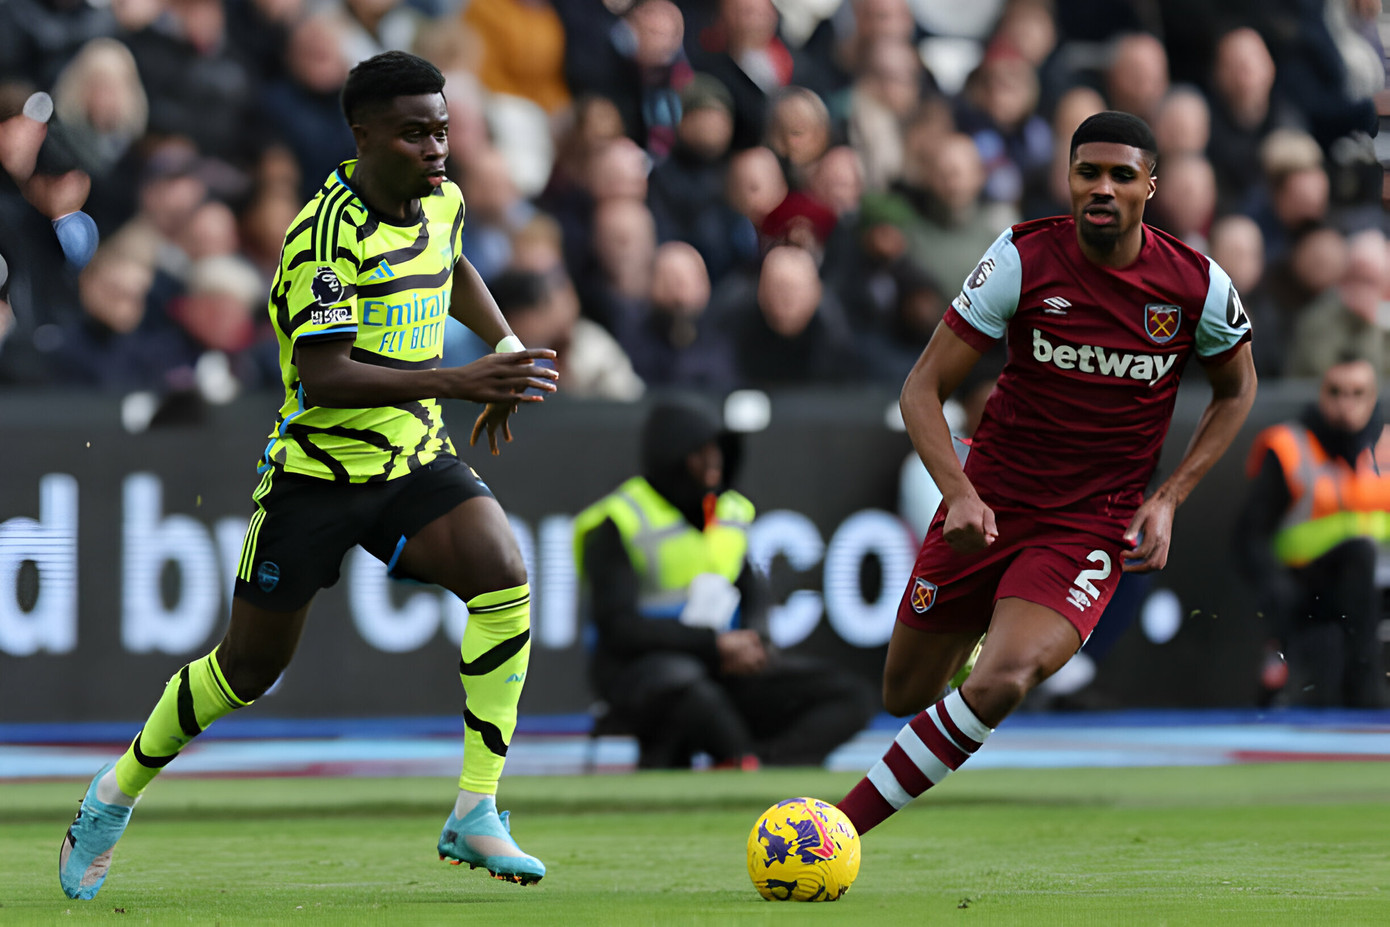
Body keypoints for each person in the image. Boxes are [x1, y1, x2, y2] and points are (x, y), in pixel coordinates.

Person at [58, 51, 561, 901]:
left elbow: (453, 264)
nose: (436, 148)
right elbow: (324, 374)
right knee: (245, 672)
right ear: (363, 135)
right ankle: (113, 794)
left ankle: (477, 807)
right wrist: (457, 377)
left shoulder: (442, 198)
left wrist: (505, 347)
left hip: (411, 455)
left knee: (504, 574)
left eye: (440, 130)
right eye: (414, 133)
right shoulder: (323, 238)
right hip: (318, 476)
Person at [835, 111, 1257, 836]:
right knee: (906, 691)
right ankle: (984, 633)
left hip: (1091, 521)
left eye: (1122, 174)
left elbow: (1236, 389)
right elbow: (921, 388)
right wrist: (959, 491)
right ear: (1068, 178)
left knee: (1003, 679)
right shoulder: (1022, 258)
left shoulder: (1197, 286)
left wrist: (1170, 496)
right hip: (991, 502)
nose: (1103, 187)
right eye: (1088, 171)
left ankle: (834, 828)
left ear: (1151, 185)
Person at [572, 394, 877, 770]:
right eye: (699, 451)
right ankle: (737, 758)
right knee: (688, 689)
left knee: (850, 696)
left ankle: (765, 765)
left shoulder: (730, 514)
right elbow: (618, 626)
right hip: (642, 671)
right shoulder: (619, 521)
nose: (713, 461)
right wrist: (712, 646)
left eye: (717, 448)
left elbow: (754, 593)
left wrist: (755, 639)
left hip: (722, 664)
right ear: (670, 455)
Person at [1234, 354, 1390, 708]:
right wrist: (1274, 584)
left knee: (1362, 559)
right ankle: (1360, 696)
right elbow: (1250, 535)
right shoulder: (1290, 448)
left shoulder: (1386, 450)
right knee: (1357, 557)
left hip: (1378, 588)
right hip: (1305, 584)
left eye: (1357, 393)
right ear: (1321, 394)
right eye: (1335, 392)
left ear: (1373, 398)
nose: (1344, 404)